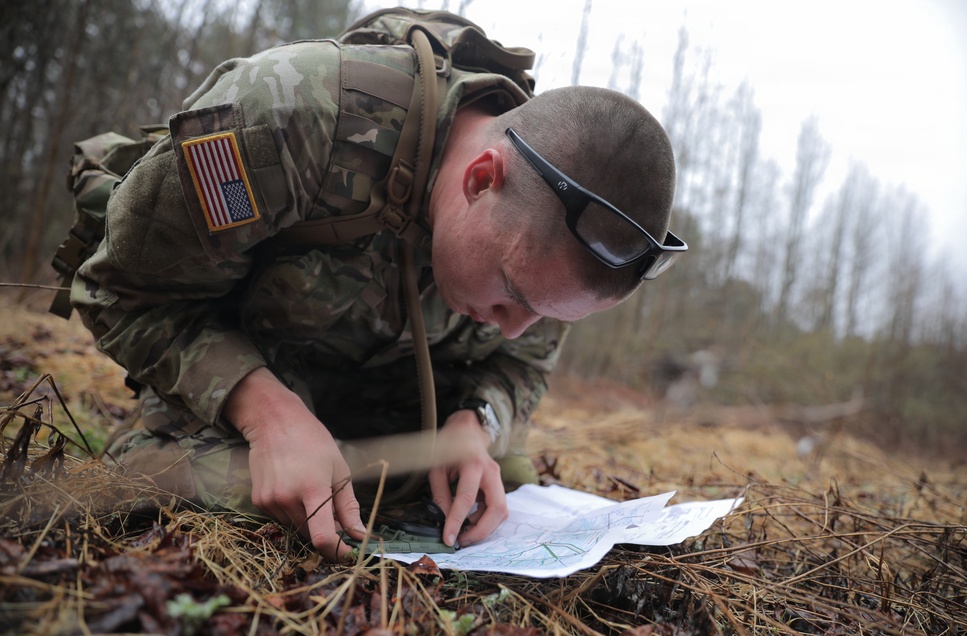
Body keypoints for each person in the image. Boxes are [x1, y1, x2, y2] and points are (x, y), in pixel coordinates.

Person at [70, 27, 683, 561]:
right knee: (234, 497)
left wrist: (477, 423)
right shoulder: (290, 115)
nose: (518, 326)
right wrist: (265, 412)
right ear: (481, 179)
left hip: (393, 410)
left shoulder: (550, 256)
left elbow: (521, 364)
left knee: (508, 489)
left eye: (546, 313)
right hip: (258, 375)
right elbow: (121, 292)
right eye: (513, 296)